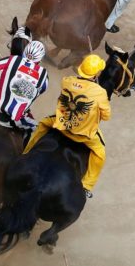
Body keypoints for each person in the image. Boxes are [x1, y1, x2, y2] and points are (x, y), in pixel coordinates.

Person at [24, 53, 111, 198]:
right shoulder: (100, 93)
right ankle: (87, 186)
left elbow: (74, 85)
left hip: (61, 125)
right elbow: (106, 116)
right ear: (97, 74)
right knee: (100, 154)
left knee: (42, 125)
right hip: (82, 135)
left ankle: (26, 153)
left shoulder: (67, 81)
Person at [0, 40, 50, 136]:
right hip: (18, 120)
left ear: (24, 51)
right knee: (34, 132)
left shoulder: (10, 60)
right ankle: (25, 151)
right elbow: (41, 91)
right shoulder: (44, 75)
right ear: (40, 59)